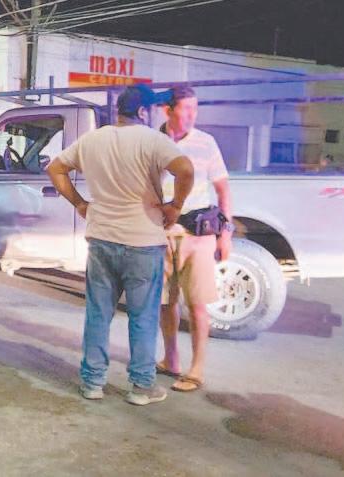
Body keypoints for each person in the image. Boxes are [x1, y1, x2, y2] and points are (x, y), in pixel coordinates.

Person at [46, 84, 194, 406]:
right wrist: (175, 206)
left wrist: (80, 203)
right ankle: (141, 387)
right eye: (151, 110)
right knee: (143, 317)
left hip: (102, 239)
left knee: (98, 315)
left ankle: (92, 383)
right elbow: (185, 170)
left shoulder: (92, 140)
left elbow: (55, 168)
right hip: (143, 241)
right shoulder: (152, 140)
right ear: (142, 111)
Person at [157, 86, 234, 392]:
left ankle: (197, 368)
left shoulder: (206, 142)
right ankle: (171, 359)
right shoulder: (153, 141)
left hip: (197, 235)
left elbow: (223, 190)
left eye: (195, 108)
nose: (192, 115)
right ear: (168, 110)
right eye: (186, 108)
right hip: (161, 232)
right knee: (165, 302)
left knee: (197, 304)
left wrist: (225, 234)